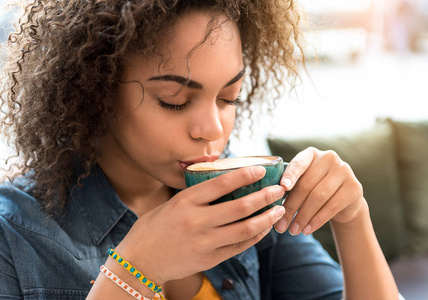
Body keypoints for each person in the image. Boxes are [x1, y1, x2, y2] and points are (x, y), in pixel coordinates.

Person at [0, 0, 400, 299]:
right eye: (174, 100)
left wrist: (353, 219)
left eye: (229, 97)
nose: (213, 129)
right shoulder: (13, 237)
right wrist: (135, 270)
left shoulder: (246, 195)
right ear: (93, 91)